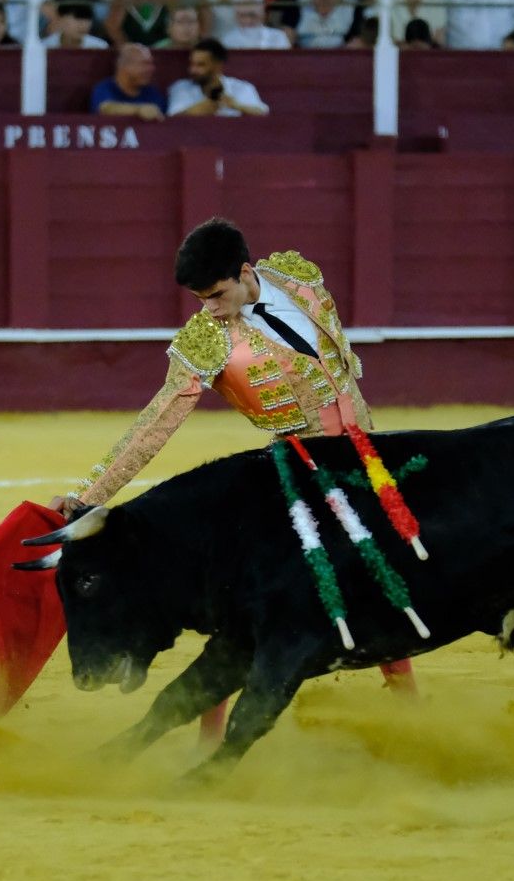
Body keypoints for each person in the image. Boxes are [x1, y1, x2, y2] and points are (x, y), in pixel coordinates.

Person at [50, 218, 417, 698]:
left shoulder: (298, 278)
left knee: (385, 572)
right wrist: (87, 497)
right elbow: (154, 423)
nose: (210, 309)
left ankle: (396, 688)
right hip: (299, 477)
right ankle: (215, 716)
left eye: (217, 295)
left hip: (369, 454)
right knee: (279, 598)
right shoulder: (206, 341)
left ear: (245, 273)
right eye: (201, 299)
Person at [168, 37, 268, 116]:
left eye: (200, 65)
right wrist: (199, 109)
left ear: (218, 65)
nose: (192, 70)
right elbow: (172, 118)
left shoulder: (242, 88)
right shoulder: (181, 88)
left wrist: (237, 106)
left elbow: (262, 113)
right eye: (192, 64)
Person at [90, 42, 167, 120]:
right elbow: (105, 108)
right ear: (125, 66)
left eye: (151, 64)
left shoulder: (152, 92)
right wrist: (138, 110)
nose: (152, 69)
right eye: (145, 64)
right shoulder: (105, 87)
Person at [221, 0, 288, 48]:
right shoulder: (228, 40)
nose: (248, 20)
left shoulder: (278, 37)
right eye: (243, 16)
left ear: (262, 13)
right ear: (236, 16)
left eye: (252, 15)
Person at [44, 0, 108, 47]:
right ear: (60, 18)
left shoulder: (99, 47)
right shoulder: (46, 46)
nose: (83, 24)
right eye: (77, 17)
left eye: (87, 18)